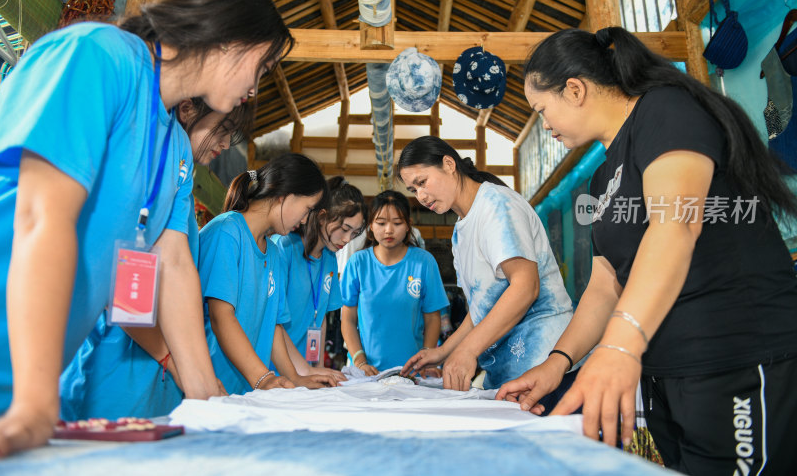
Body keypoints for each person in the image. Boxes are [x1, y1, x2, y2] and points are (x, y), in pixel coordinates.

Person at [0, 0, 292, 456]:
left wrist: (208, 399)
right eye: (260, 68)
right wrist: (34, 401)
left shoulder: (174, 143)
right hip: (24, 382)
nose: (253, 89)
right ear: (231, 41)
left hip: (20, 380)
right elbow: (40, 215)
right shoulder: (99, 55)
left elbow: (173, 265)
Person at [497, 27, 797, 475]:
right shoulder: (603, 179)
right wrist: (558, 363)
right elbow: (605, 283)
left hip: (734, 358)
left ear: (575, 90)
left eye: (542, 109)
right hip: (669, 374)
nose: (546, 124)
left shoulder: (666, 111)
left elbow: (675, 224)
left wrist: (619, 347)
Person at [59, 98, 251, 420]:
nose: (226, 143)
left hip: (159, 364)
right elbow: (113, 278)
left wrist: (193, 370)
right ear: (188, 108)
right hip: (118, 362)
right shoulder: (139, 142)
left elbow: (175, 264)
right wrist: (177, 362)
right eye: (224, 129)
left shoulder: (181, 168)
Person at [397, 136, 575, 396]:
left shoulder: (496, 206)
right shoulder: (460, 229)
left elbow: (526, 287)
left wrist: (468, 350)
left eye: (422, 182)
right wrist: (443, 352)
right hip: (508, 373)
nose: (421, 196)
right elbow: (482, 308)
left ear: (449, 164)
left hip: (545, 364)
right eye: (413, 190)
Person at [200, 154, 338, 394]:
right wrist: (262, 377)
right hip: (213, 384)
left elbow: (272, 325)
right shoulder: (227, 232)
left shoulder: (272, 251)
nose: (305, 220)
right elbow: (221, 316)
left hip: (249, 391)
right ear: (285, 195)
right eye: (307, 210)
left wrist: (294, 377)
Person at [341, 191, 448, 375]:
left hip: (412, 373)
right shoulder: (357, 263)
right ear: (371, 226)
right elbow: (348, 319)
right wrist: (359, 361)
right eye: (381, 223)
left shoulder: (424, 262)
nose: (388, 230)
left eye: (397, 223)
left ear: (408, 226)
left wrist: (426, 358)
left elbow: (432, 317)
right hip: (367, 373)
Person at [273, 176, 366, 380]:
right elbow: (271, 321)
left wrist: (318, 367)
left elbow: (320, 317)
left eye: (355, 233)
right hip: (276, 369)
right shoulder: (284, 246)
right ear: (323, 216)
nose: (347, 239)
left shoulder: (330, 258)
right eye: (344, 229)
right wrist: (306, 371)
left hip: (304, 371)